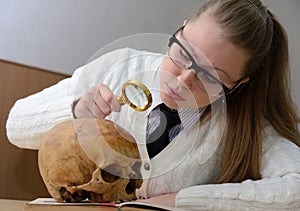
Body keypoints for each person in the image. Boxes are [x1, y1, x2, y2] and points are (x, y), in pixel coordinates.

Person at [6, 0, 300, 210]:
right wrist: (74, 113)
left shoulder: (247, 128)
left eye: (210, 77)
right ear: (181, 29)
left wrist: (181, 201)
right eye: (184, 52)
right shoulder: (120, 66)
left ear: (237, 85)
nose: (183, 81)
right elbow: (15, 126)